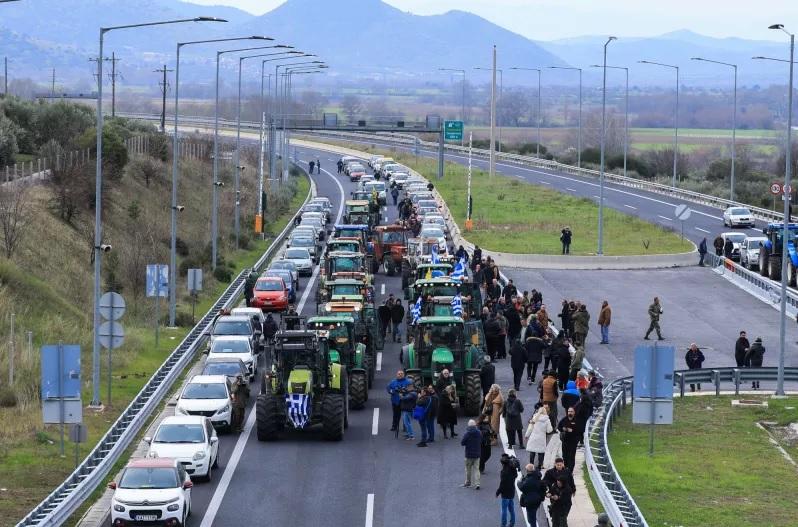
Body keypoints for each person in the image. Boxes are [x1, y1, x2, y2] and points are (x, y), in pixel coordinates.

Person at [496, 454, 519, 527]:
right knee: (511, 509)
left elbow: (502, 484)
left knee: (504, 510)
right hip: (512, 491)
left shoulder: (503, 472)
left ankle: (503, 524)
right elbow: (516, 476)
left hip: (505, 493)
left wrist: (498, 492)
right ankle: (512, 523)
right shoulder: (513, 469)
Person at [461, 419, 482, 489]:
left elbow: (462, 443)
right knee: (477, 469)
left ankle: (468, 482)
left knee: (468, 470)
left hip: (469, 455)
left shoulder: (467, 434)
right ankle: (477, 484)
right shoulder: (479, 432)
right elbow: (481, 440)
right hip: (477, 454)